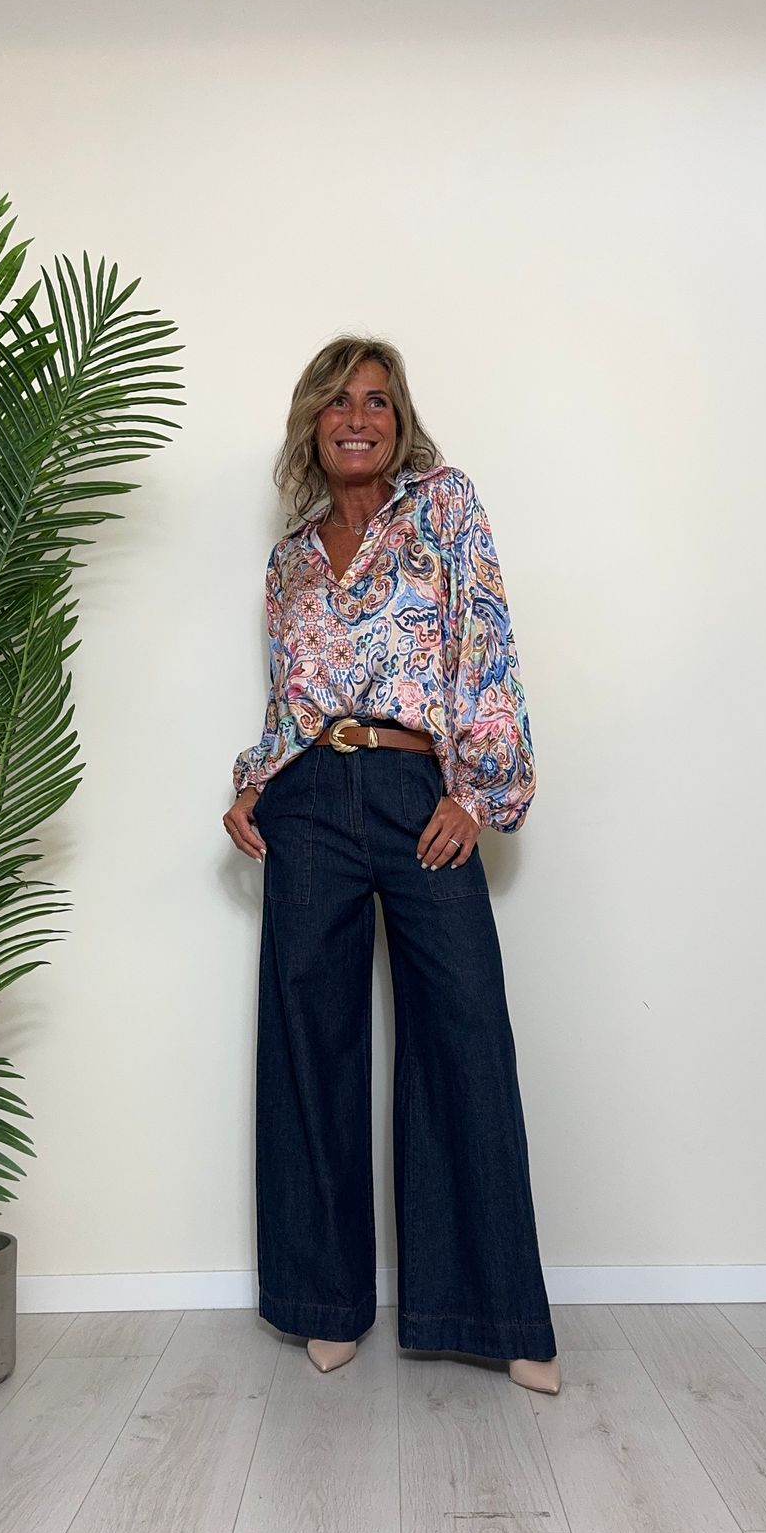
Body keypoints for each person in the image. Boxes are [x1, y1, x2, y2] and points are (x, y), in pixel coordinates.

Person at [223, 335, 560, 1396]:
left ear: (398, 417)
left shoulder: (444, 507)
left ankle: (494, 1313)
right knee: (309, 1040)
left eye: (374, 400)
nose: (356, 417)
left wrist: (475, 794)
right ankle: (323, 1302)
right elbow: (289, 698)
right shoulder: (288, 559)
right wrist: (253, 781)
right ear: (312, 425)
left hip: (421, 791)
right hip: (308, 800)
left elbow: (486, 648)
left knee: (464, 1028)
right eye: (337, 402)